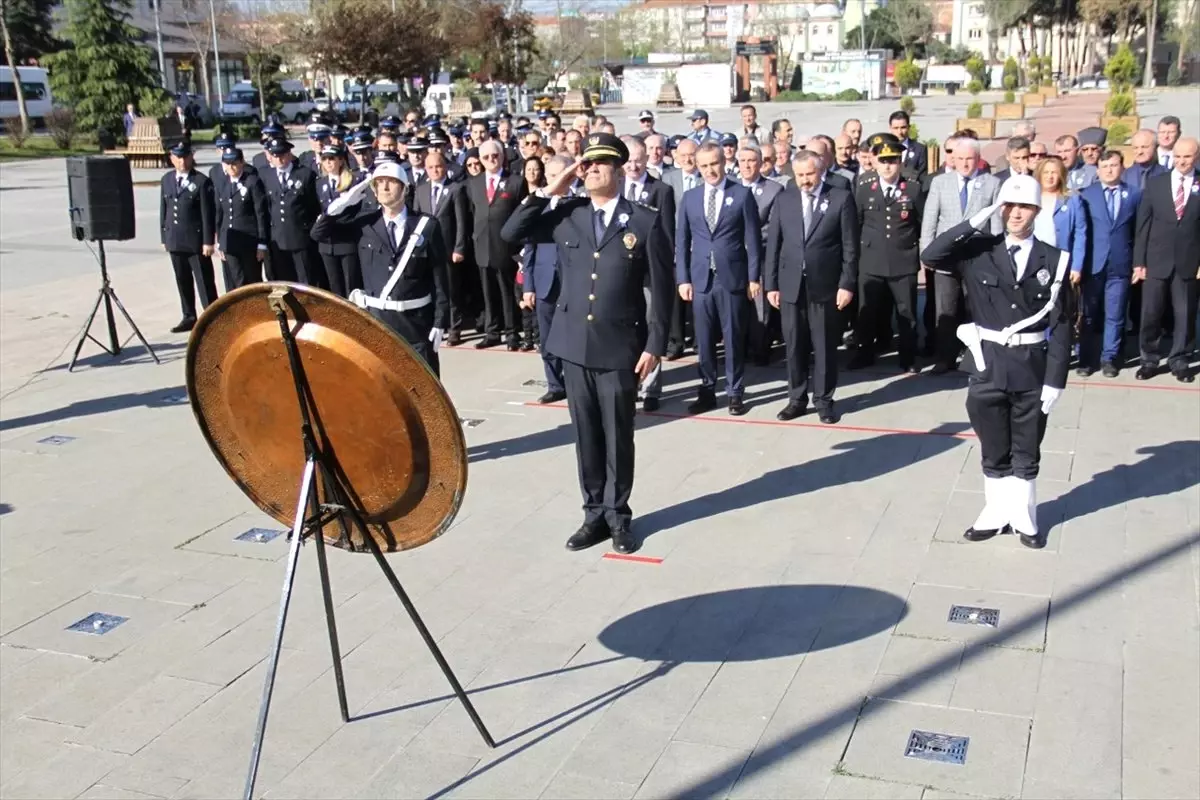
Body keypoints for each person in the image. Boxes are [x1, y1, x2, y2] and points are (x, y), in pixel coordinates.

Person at [500, 134, 674, 555]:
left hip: (619, 347)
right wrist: (552, 188)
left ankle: (618, 517)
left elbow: (662, 287)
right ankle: (593, 514)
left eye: (600, 163)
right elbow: (510, 231)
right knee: (586, 436)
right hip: (574, 345)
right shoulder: (569, 214)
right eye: (586, 164)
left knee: (618, 437)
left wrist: (655, 343)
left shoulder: (644, 221)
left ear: (618, 169)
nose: (591, 169)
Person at [921, 175, 1072, 550]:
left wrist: (1055, 380)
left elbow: (1063, 324)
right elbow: (932, 255)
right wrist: (976, 218)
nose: (1016, 213)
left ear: (1036, 210)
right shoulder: (979, 251)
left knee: (1027, 446)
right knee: (992, 445)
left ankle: (1024, 516)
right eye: (1009, 206)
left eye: (1024, 207)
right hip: (987, 364)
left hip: (1031, 367)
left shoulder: (1053, 260)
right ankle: (995, 511)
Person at [310, 162, 451, 375]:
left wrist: (440, 320)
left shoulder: (426, 225)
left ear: (405, 189)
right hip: (378, 323)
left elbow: (440, 277)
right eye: (379, 183)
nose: (385, 187)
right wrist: (341, 204)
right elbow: (318, 233)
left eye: (391, 182)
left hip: (416, 323)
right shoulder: (364, 224)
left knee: (423, 387)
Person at [764, 150, 858, 424]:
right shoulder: (784, 199)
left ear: (821, 171)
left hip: (826, 286)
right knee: (794, 345)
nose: (805, 180)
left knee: (825, 346)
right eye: (800, 175)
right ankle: (796, 399)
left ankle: (824, 401)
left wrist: (847, 283)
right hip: (791, 286)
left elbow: (850, 247)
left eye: (810, 174)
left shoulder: (840, 198)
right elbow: (774, 245)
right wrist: (771, 284)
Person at [676, 142, 761, 416]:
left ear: (723, 162)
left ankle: (735, 392)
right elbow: (682, 241)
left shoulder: (741, 194)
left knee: (733, 337)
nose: (710, 170)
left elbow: (753, 240)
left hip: (731, 278)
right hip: (701, 279)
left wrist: (753, 277)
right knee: (703, 339)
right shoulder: (690, 198)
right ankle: (707, 390)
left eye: (714, 163)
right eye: (704, 165)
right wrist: (683, 279)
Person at [920, 136, 1002, 373]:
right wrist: (927, 254)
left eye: (970, 159)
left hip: (977, 258)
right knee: (945, 310)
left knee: (974, 308)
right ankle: (944, 358)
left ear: (978, 159)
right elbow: (930, 221)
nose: (965, 164)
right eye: (960, 159)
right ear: (953, 159)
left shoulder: (992, 183)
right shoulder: (940, 183)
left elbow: (996, 226)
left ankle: (974, 357)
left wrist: (996, 258)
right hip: (946, 259)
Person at [503, 154, 573, 404]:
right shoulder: (539, 205)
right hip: (544, 281)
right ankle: (555, 384)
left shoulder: (580, 204)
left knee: (572, 336)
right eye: (551, 176)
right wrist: (528, 286)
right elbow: (529, 249)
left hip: (571, 283)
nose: (556, 180)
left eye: (561, 175)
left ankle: (574, 381)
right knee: (547, 337)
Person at [851, 137, 925, 373]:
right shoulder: (865, 189)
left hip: (903, 260)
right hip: (871, 260)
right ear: (876, 162)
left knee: (906, 312)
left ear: (900, 162)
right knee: (867, 311)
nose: (887, 166)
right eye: (883, 161)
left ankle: (908, 358)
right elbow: (856, 224)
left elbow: (920, 223)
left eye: (892, 160)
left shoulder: (912, 189)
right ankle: (864, 353)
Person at [1132, 136, 1200, 383]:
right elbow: (1143, 225)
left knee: (1185, 314)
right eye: (1178, 156)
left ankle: (1180, 360)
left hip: (1189, 261)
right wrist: (1139, 262)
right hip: (1156, 260)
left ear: (1196, 157)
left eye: (1187, 156)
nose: (1182, 161)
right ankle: (1149, 360)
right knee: (1151, 314)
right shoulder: (1156, 183)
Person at [620, 137, 676, 411]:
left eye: (638, 160)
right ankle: (629, 384)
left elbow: (666, 235)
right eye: (629, 161)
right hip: (621, 272)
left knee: (652, 326)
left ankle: (651, 387)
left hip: (649, 272)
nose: (633, 166)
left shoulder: (661, 190)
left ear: (647, 160)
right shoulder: (617, 187)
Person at [1078, 150, 1140, 377]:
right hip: (1093, 264)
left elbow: (1139, 231)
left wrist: (1138, 263)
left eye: (1114, 165)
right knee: (1089, 314)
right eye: (1105, 166)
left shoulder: (1134, 194)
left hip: (1120, 264)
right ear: (1098, 170)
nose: (1109, 170)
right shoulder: (1086, 195)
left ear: (1122, 167)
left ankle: (1109, 358)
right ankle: (1086, 359)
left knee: (1115, 314)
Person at [465, 139, 527, 350]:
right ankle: (492, 332)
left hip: (506, 248)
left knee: (507, 293)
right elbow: (472, 214)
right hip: (482, 246)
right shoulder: (473, 183)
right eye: (486, 157)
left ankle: (511, 333)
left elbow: (522, 215)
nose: (491, 160)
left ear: (502, 157)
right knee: (487, 293)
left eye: (495, 155)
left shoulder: (515, 182)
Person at [411, 150, 470, 345]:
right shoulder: (420, 190)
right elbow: (416, 220)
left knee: (451, 290)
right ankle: (437, 325)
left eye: (438, 166)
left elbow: (461, 222)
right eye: (431, 167)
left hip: (448, 248)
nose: (435, 170)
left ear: (445, 167)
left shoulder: (455, 189)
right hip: (426, 249)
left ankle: (455, 328)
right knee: (432, 289)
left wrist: (459, 248)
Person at [160, 141, 217, 333]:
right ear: (171, 158)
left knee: (204, 281)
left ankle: (211, 316)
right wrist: (164, 236)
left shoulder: (201, 181)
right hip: (175, 239)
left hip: (195, 241)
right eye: (178, 157)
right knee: (182, 279)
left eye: (185, 157)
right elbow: (164, 209)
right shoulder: (167, 179)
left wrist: (208, 241)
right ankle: (189, 316)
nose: (182, 161)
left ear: (191, 157)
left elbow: (207, 214)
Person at [737, 144, 785, 366]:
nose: (747, 165)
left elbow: (773, 228)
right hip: (734, 256)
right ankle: (738, 348)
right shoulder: (730, 186)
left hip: (762, 255)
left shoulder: (774, 190)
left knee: (759, 306)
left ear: (760, 163)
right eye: (743, 161)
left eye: (751, 161)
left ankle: (760, 349)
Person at [260, 136, 323, 286]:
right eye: (275, 155)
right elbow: (265, 208)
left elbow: (313, 207)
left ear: (289, 154)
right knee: (284, 281)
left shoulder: (305, 174)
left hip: (300, 237)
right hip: (278, 239)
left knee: (305, 281)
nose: (279, 159)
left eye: (282, 154)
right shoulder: (266, 176)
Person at [1031, 157, 1088, 307]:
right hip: (1034, 258)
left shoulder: (1073, 199)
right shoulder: (1031, 197)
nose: (1050, 177)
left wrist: (1076, 267)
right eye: (1046, 172)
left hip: (1060, 260)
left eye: (1054, 173)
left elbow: (1080, 234)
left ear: (1061, 175)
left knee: (1058, 305)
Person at [212, 147, 268, 291]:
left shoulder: (252, 182)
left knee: (253, 280)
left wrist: (262, 243)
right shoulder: (222, 184)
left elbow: (260, 213)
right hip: (230, 241)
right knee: (237, 280)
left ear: (242, 162)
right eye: (227, 164)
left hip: (249, 241)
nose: (231, 167)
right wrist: (220, 241)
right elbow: (219, 214)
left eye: (234, 163)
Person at [312, 141, 363, 297]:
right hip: (327, 244)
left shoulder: (353, 181)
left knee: (350, 285)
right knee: (334, 286)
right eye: (325, 158)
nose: (328, 162)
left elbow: (357, 211)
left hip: (346, 241)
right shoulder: (319, 183)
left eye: (332, 158)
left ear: (341, 160)